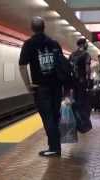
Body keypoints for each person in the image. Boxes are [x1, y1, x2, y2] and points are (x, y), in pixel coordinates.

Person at [19, 17, 63, 157]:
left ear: (32, 28)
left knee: (48, 117)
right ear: (44, 27)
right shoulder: (54, 43)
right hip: (56, 87)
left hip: (41, 88)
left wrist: (27, 85)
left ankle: (54, 148)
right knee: (55, 116)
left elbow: (22, 66)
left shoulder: (29, 44)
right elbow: (62, 64)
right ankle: (54, 146)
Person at [69, 38, 92, 125]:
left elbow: (70, 67)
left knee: (75, 98)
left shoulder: (72, 55)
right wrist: (89, 79)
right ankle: (82, 120)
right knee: (82, 100)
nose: (87, 45)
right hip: (82, 80)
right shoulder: (86, 54)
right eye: (86, 43)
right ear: (82, 44)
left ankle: (75, 117)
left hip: (73, 80)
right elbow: (87, 68)